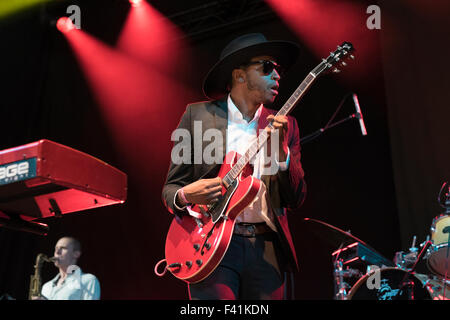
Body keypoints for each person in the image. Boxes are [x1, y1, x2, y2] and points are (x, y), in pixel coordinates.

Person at [162, 33, 307, 300]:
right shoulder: (197, 116)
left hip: (267, 248)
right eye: (267, 67)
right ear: (239, 75)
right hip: (212, 244)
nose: (277, 76)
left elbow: (296, 198)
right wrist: (186, 195)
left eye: (278, 69)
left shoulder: (286, 124)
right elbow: (171, 189)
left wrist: (282, 153)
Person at [33, 236, 100, 300]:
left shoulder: (88, 280)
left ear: (76, 254)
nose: (57, 252)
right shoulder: (46, 287)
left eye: (63, 248)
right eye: (56, 248)